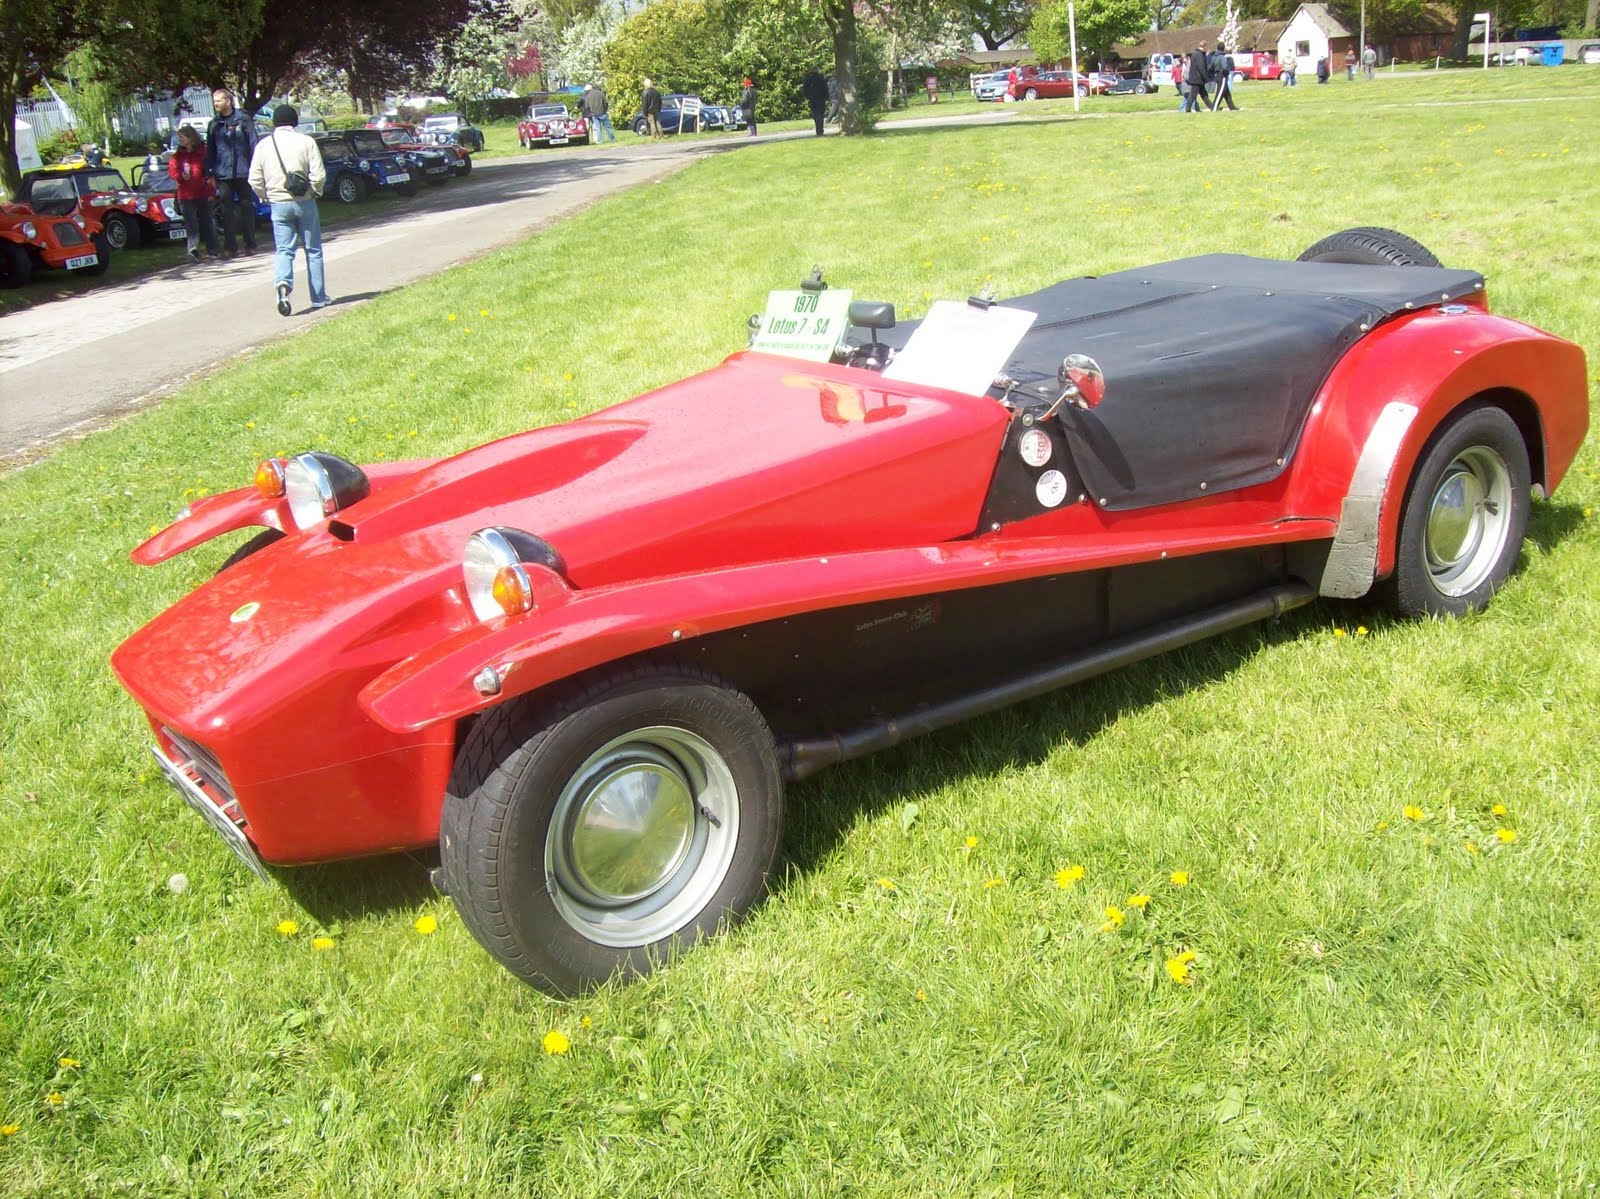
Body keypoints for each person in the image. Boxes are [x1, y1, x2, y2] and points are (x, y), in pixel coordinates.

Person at [247, 104, 328, 317]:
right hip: (304, 201)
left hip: (278, 204)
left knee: (284, 250)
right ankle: (318, 297)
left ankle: (283, 283)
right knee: (313, 250)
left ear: (275, 122)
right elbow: (318, 174)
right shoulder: (306, 141)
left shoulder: (263, 145)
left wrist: (265, 195)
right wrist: (314, 191)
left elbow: (253, 179)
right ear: (295, 122)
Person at [205, 87, 259, 258]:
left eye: (218, 101)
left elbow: (253, 144)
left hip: (243, 171)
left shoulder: (243, 119)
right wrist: (209, 173)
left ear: (228, 101)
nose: (216, 104)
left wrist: (255, 167)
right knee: (226, 210)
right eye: (214, 101)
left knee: (246, 207)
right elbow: (211, 150)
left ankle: (250, 244)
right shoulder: (214, 124)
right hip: (223, 173)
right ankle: (230, 247)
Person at [168, 126, 219, 262]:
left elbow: (210, 172)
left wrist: (211, 190)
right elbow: (172, 171)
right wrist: (180, 176)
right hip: (185, 194)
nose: (180, 141)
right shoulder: (178, 155)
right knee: (191, 223)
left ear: (191, 138)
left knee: (207, 221)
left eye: (182, 138)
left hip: (203, 191)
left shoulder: (203, 152)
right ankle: (193, 250)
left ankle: (213, 250)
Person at [1209, 45, 1239, 110]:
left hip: (1217, 75)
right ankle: (1214, 107)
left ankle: (1232, 107)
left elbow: (1210, 67)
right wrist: (1226, 73)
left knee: (1227, 93)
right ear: (1223, 49)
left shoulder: (1214, 57)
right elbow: (1225, 67)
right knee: (1220, 92)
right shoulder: (1222, 57)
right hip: (1222, 76)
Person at [803, 67, 828, 136]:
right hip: (820, 99)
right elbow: (825, 88)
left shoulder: (808, 79)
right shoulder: (821, 78)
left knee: (815, 114)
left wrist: (808, 97)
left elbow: (805, 90)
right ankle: (820, 130)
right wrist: (826, 96)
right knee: (820, 114)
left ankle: (818, 129)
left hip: (812, 99)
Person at [1185, 44, 1211, 111]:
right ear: (1204, 46)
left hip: (1196, 78)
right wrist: (1206, 78)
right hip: (1197, 79)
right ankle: (1187, 109)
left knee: (1204, 95)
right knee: (1193, 95)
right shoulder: (1200, 55)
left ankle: (1213, 107)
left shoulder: (1195, 54)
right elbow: (1201, 67)